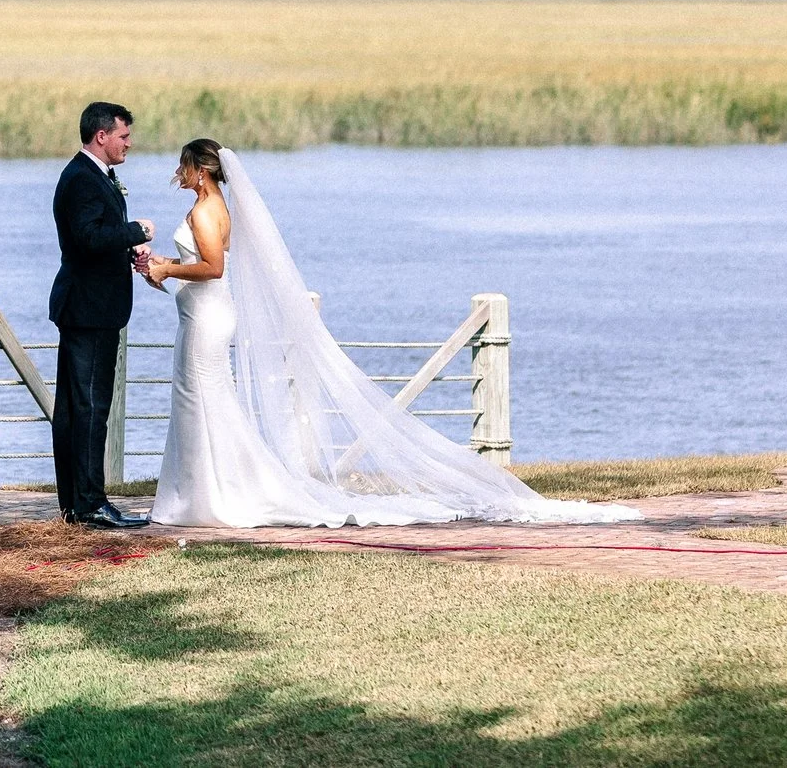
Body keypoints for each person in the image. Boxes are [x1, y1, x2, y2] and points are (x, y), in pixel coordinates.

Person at [140, 140, 636, 528]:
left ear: (200, 169)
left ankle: (212, 495)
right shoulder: (217, 205)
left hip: (206, 318)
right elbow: (199, 264)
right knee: (201, 403)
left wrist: (166, 272)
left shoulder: (206, 211)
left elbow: (213, 267)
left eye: (184, 166)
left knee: (204, 400)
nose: (178, 174)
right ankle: (200, 492)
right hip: (201, 316)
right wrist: (162, 265)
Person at [47, 100, 154, 529]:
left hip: (88, 306)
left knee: (77, 408)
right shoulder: (82, 180)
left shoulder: (93, 176)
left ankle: (76, 504)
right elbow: (88, 239)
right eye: (124, 136)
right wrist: (136, 231)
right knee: (89, 407)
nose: (129, 143)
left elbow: (91, 241)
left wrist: (128, 250)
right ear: (101, 136)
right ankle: (89, 503)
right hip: (89, 310)